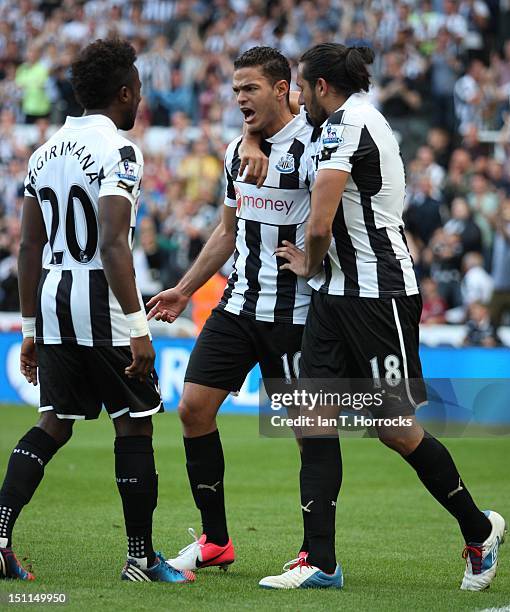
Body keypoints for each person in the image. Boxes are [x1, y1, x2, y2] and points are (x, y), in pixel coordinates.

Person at [258, 42, 505, 591]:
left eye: (302, 87)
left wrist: (308, 261)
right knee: (310, 416)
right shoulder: (345, 122)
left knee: (394, 428)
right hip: (336, 295)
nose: (297, 97)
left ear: (322, 86)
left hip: (379, 294)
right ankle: (320, 562)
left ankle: (478, 530)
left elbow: (320, 224)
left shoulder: (350, 124)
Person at [0, 39, 194, 585]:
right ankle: (140, 559)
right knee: (133, 425)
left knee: (53, 423)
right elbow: (112, 244)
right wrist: (139, 330)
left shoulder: (43, 153)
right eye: (138, 90)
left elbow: (29, 248)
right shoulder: (120, 151)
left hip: (54, 300)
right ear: (125, 92)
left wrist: (32, 328)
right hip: (100, 302)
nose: (141, 100)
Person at [146, 46, 320, 572]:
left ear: (282, 88)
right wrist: (183, 288)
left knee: (306, 428)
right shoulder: (233, 152)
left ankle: (316, 552)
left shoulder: (316, 146)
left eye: (250, 88)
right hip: (238, 303)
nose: (240, 97)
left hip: (296, 312)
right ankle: (216, 540)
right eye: (236, 89)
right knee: (192, 408)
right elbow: (228, 230)